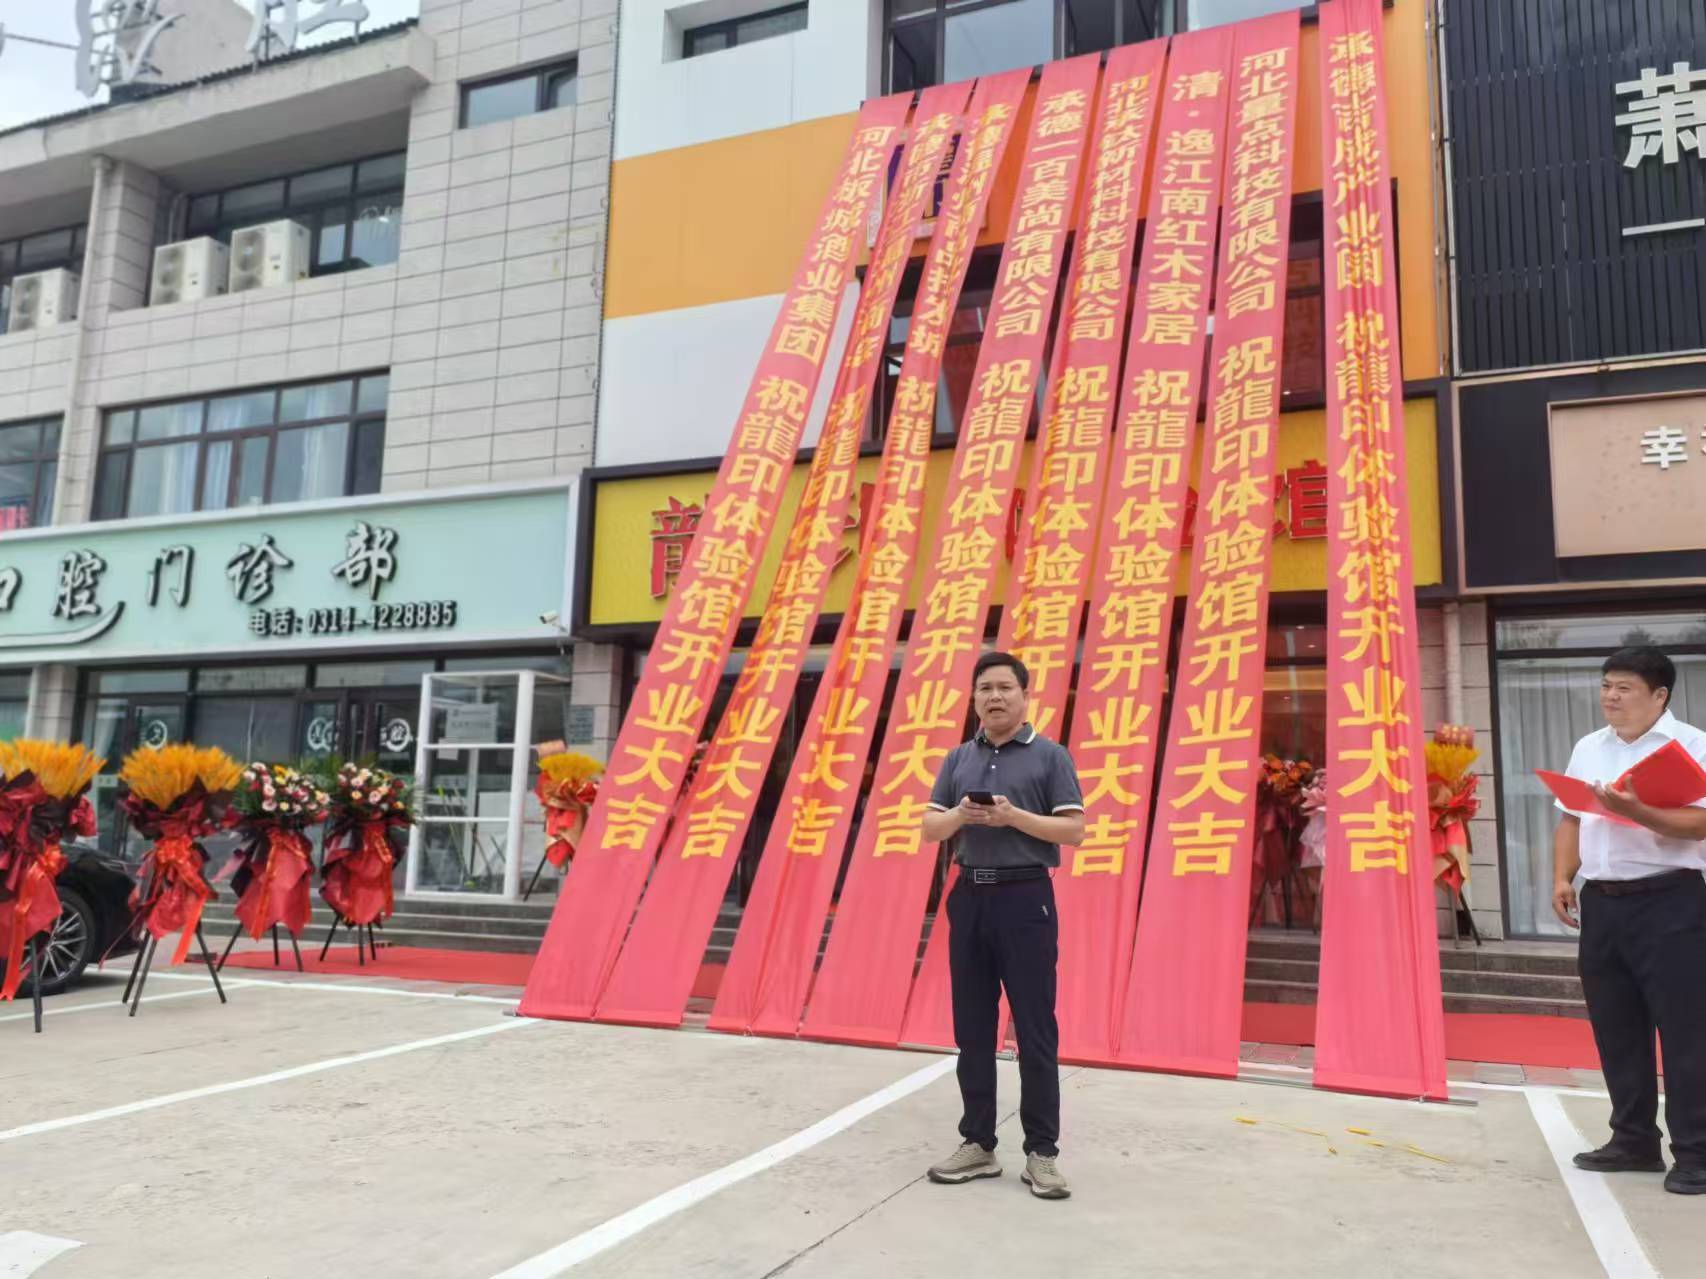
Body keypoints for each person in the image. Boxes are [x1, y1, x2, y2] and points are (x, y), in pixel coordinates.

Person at [919, 651, 1085, 1200]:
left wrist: (1013, 817)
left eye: (1004, 688)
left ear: (1024, 695)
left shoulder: (1050, 756)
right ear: (973, 698)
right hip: (970, 897)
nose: (994, 697)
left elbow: (1073, 831)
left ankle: (1042, 1153)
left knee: (1035, 1028)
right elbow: (930, 828)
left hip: (1026, 899)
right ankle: (978, 1143)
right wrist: (960, 815)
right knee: (972, 1027)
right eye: (984, 688)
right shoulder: (958, 758)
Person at [1552, 646, 1706, 1195]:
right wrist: (1562, 877)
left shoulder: (1691, 745)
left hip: (1672, 901)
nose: (1610, 697)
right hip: (1603, 903)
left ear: (1659, 695)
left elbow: (1700, 824)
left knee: (1687, 1033)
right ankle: (1633, 1140)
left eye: (1624, 688)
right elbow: (1571, 818)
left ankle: (1696, 1153)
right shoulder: (1589, 747)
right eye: (1606, 685)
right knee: (1616, 1028)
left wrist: (1636, 811)